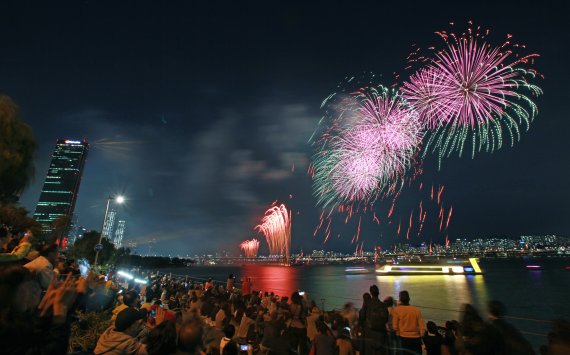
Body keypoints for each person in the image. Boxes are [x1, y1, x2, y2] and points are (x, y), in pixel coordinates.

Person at [0, 264, 81, 355]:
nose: (36, 289)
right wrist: (60, 313)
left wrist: (45, 307)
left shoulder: (18, 317)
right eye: (30, 284)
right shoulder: (6, 329)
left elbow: (34, 336)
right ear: (12, 291)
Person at [392, 290, 425, 355]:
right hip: (416, 339)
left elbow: (395, 326)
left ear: (400, 300)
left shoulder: (397, 310)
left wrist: (398, 334)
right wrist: (421, 336)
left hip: (403, 339)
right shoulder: (416, 310)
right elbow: (422, 326)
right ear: (409, 299)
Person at [361, 285, 389, 355]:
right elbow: (386, 319)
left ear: (371, 293)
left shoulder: (366, 305)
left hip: (369, 335)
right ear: (378, 293)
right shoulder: (383, 305)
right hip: (380, 334)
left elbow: (361, 318)